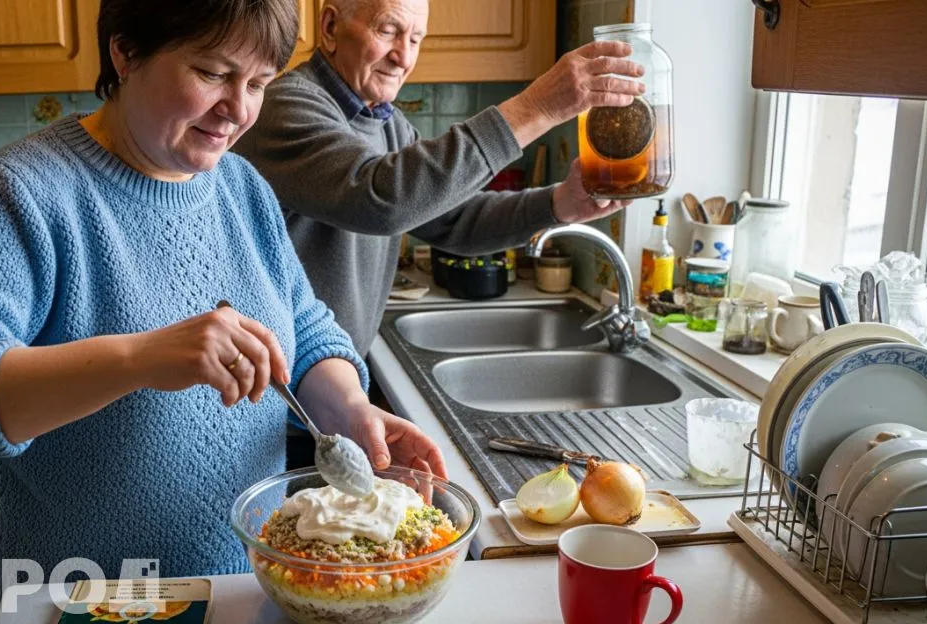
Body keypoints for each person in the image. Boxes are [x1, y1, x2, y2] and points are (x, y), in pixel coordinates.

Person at [0, 0, 446, 596]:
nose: (239, 110)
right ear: (125, 50)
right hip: (81, 606)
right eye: (214, 74)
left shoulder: (240, 185)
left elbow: (301, 327)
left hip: (245, 593)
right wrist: (138, 359)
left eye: (259, 83)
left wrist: (347, 407)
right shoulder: (25, 192)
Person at [235, 0, 646, 357]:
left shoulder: (386, 123)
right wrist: (536, 108)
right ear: (329, 28)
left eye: (415, 39)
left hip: (323, 387)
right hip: (272, 395)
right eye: (388, 30)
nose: (403, 57)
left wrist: (559, 204)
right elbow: (382, 199)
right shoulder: (285, 105)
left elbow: (454, 218)